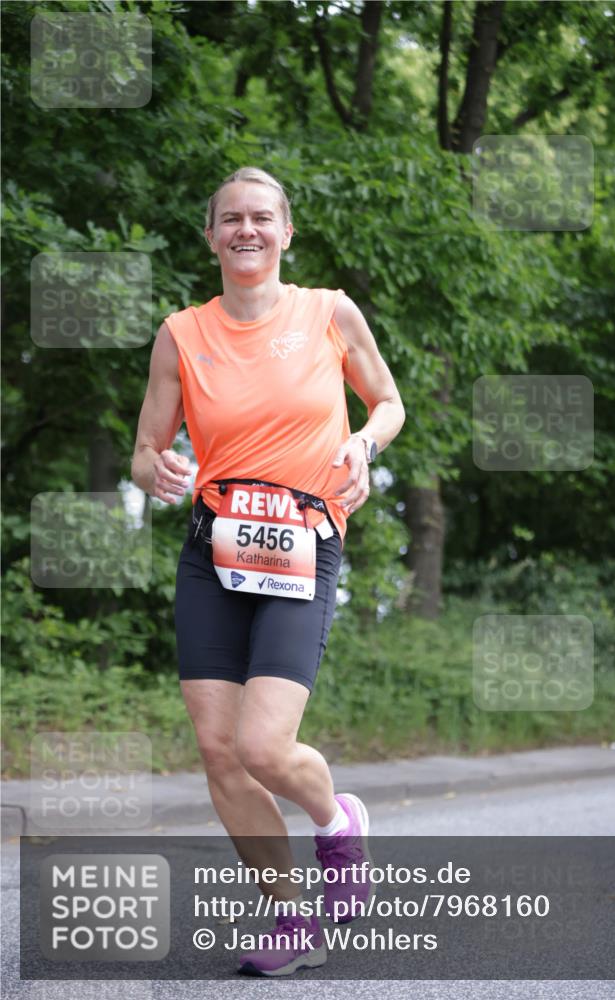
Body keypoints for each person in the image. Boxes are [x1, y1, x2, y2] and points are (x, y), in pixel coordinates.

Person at [131, 166, 405, 977]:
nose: (245, 231)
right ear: (210, 235)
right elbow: (146, 449)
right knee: (218, 750)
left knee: (262, 744)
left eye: (262, 218)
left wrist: (361, 443)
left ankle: (337, 818)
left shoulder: (327, 312)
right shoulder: (182, 333)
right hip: (213, 547)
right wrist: (158, 472)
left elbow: (386, 403)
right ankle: (294, 920)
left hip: (302, 543)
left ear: (286, 232)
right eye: (230, 220)